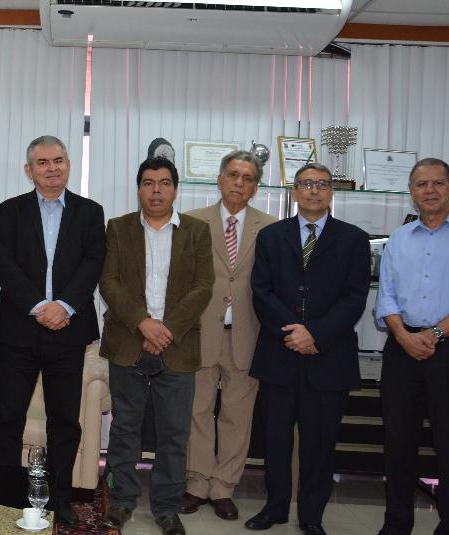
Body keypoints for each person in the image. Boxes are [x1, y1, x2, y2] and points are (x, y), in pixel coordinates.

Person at [244, 163, 370, 535]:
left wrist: (314, 334)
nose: (314, 190)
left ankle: (312, 515)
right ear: (294, 191)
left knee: (320, 443)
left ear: (331, 192)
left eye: (322, 184)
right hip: (279, 354)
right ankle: (275, 508)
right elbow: (261, 291)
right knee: (275, 439)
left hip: (328, 357)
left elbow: (354, 297)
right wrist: (294, 332)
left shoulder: (354, 239)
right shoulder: (271, 236)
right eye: (306, 184)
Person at [0, 135, 106, 528]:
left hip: (69, 331)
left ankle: (61, 499)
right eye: (42, 162)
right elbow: (4, 264)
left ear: (68, 165)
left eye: (58, 160)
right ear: (29, 170)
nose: (52, 168)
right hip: (19, 330)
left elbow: (93, 262)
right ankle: (7, 497)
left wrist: (64, 306)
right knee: (7, 417)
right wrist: (41, 307)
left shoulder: (90, 212)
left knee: (64, 420)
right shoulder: (9, 210)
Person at [374, 158, 449, 535]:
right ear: (411, 191)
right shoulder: (399, 238)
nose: (430, 190)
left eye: (438, 183)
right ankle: (396, 525)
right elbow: (386, 297)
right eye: (421, 184)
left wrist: (435, 334)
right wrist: (403, 336)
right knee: (397, 443)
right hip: (402, 349)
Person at [99, 157, 213, 535]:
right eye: (148, 183)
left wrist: (167, 330)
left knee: (174, 434)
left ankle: (166, 507)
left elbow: (203, 286)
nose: (156, 191)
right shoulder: (119, 228)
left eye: (164, 183)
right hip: (128, 341)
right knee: (125, 429)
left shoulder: (196, 231)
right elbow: (109, 283)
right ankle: (122, 501)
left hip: (177, 345)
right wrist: (144, 323)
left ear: (175, 189)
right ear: (139, 189)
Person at [181, 151, 277, 520]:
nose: (239, 183)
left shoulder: (270, 228)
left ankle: (223, 487)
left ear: (255, 187)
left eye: (248, 178)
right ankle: (197, 483)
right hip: (201, 331)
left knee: (238, 416)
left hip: (247, 333)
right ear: (220, 179)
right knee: (198, 411)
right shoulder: (192, 221)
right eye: (233, 175)